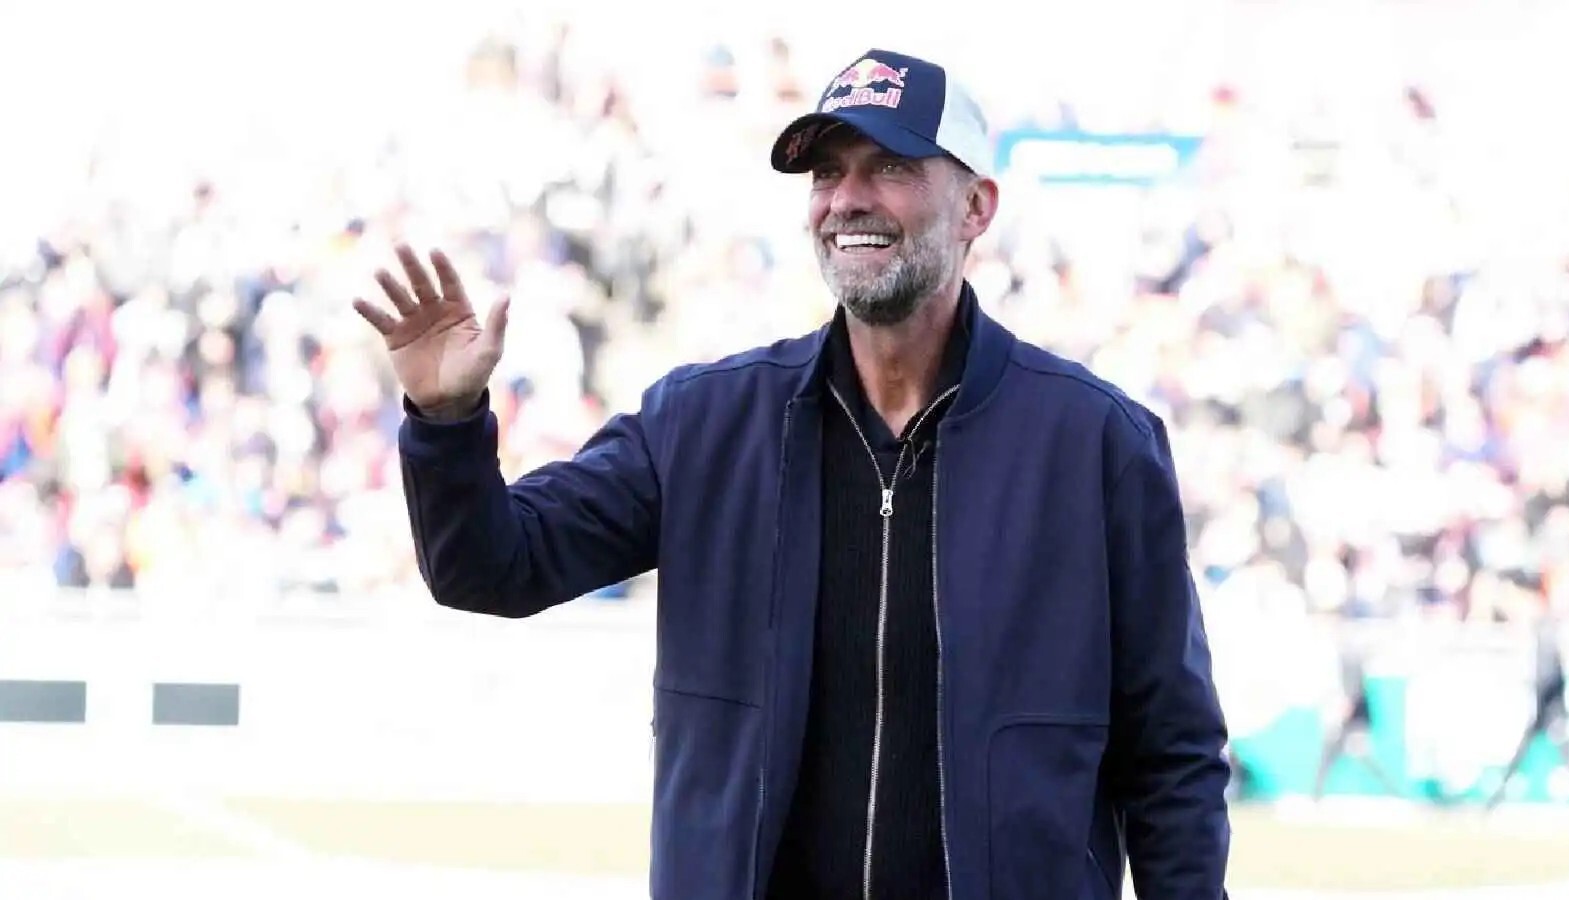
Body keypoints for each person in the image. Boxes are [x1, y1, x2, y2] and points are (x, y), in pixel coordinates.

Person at [356, 48, 1232, 900]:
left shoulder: (1096, 444)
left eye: (889, 167)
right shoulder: (702, 423)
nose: (847, 198)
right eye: (826, 173)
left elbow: (1172, 752)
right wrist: (445, 423)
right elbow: (494, 566)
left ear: (976, 207)